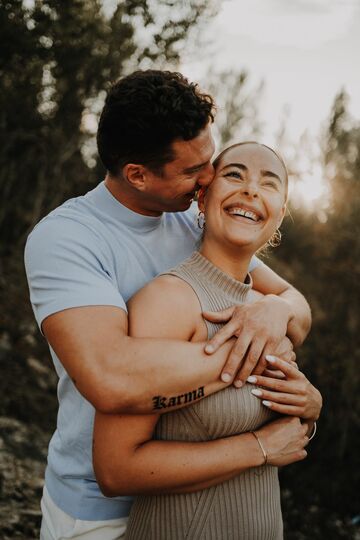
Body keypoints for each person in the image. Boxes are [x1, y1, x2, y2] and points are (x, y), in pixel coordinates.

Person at [24, 70, 311, 540]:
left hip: (198, 493)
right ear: (137, 173)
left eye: (210, 157)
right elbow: (113, 377)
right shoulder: (68, 239)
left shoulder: (190, 224)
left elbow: (292, 301)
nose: (210, 178)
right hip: (99, 507)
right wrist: (258, 352)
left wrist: (275, 314)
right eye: (193, 170)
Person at [93, 142, 322, 540]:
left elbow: (286, 432)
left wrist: (310, 409)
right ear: (203, 196)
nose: (251, 189)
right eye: (235, 175)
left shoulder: (268, 312)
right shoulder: (170, 300)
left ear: (279, 214)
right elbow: (116, 469)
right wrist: (259, 447)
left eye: (269, 183)